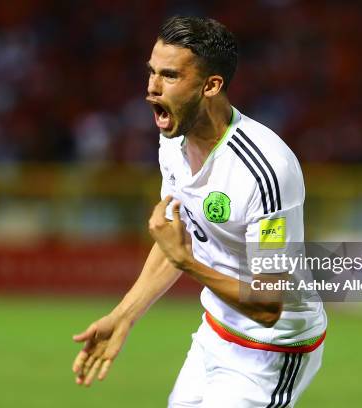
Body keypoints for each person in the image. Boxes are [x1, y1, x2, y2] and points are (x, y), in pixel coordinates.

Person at [72, 16, 327, 407]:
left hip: (273, 352)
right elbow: (178, 238)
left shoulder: (265, 171)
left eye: (170, 76)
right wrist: (124, 315)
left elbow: (268, 304)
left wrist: (187, 262)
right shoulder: (171, 142)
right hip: (214, 332)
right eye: (152, 73)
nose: (152, 89)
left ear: (211, 85)